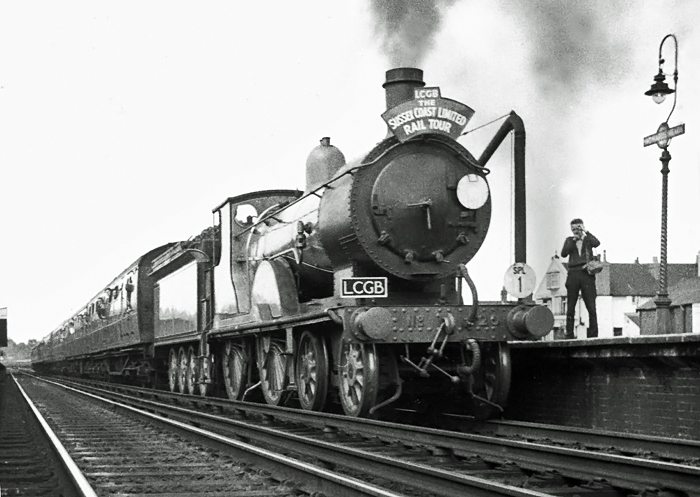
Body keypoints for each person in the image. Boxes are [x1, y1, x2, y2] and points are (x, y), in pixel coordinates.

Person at [561, 218, 600, 339]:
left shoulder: (588, 240)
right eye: (573, 229)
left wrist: (585, 231)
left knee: (591, 305)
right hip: (573, 274)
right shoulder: (569, 240)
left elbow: (597, 243)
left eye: (577, 228)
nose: (575, 231)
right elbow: (564, 253)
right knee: (571, 306)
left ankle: (593, 334)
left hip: (586, 274)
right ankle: (569, 333)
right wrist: (573, 241)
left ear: (582, 227)